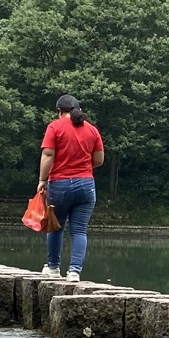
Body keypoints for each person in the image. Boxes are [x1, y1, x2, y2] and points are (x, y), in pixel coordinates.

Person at [37, 94, 104, 280]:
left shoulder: (55, 127)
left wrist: (42, 180)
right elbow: (98, 160)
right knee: (80, 230)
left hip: (59, 184)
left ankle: (53, 268)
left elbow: (48, 155)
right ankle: (75, 271)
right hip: (86, 185)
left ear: (59, 111)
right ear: (78, 110)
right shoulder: (92, 130)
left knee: (55, 227)